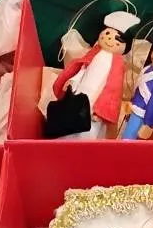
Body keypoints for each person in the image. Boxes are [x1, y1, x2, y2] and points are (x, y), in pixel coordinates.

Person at [47, 9, 140, 139]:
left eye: (117, 39)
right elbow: (83, 68)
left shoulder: (117, 64)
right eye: (107, 33)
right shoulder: (95, 53)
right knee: (69, 119)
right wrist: (73, 81)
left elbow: (113, 90)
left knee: (88, 129)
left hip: (96, 101)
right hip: (80, 92)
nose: (109, 39)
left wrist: (100, 111)